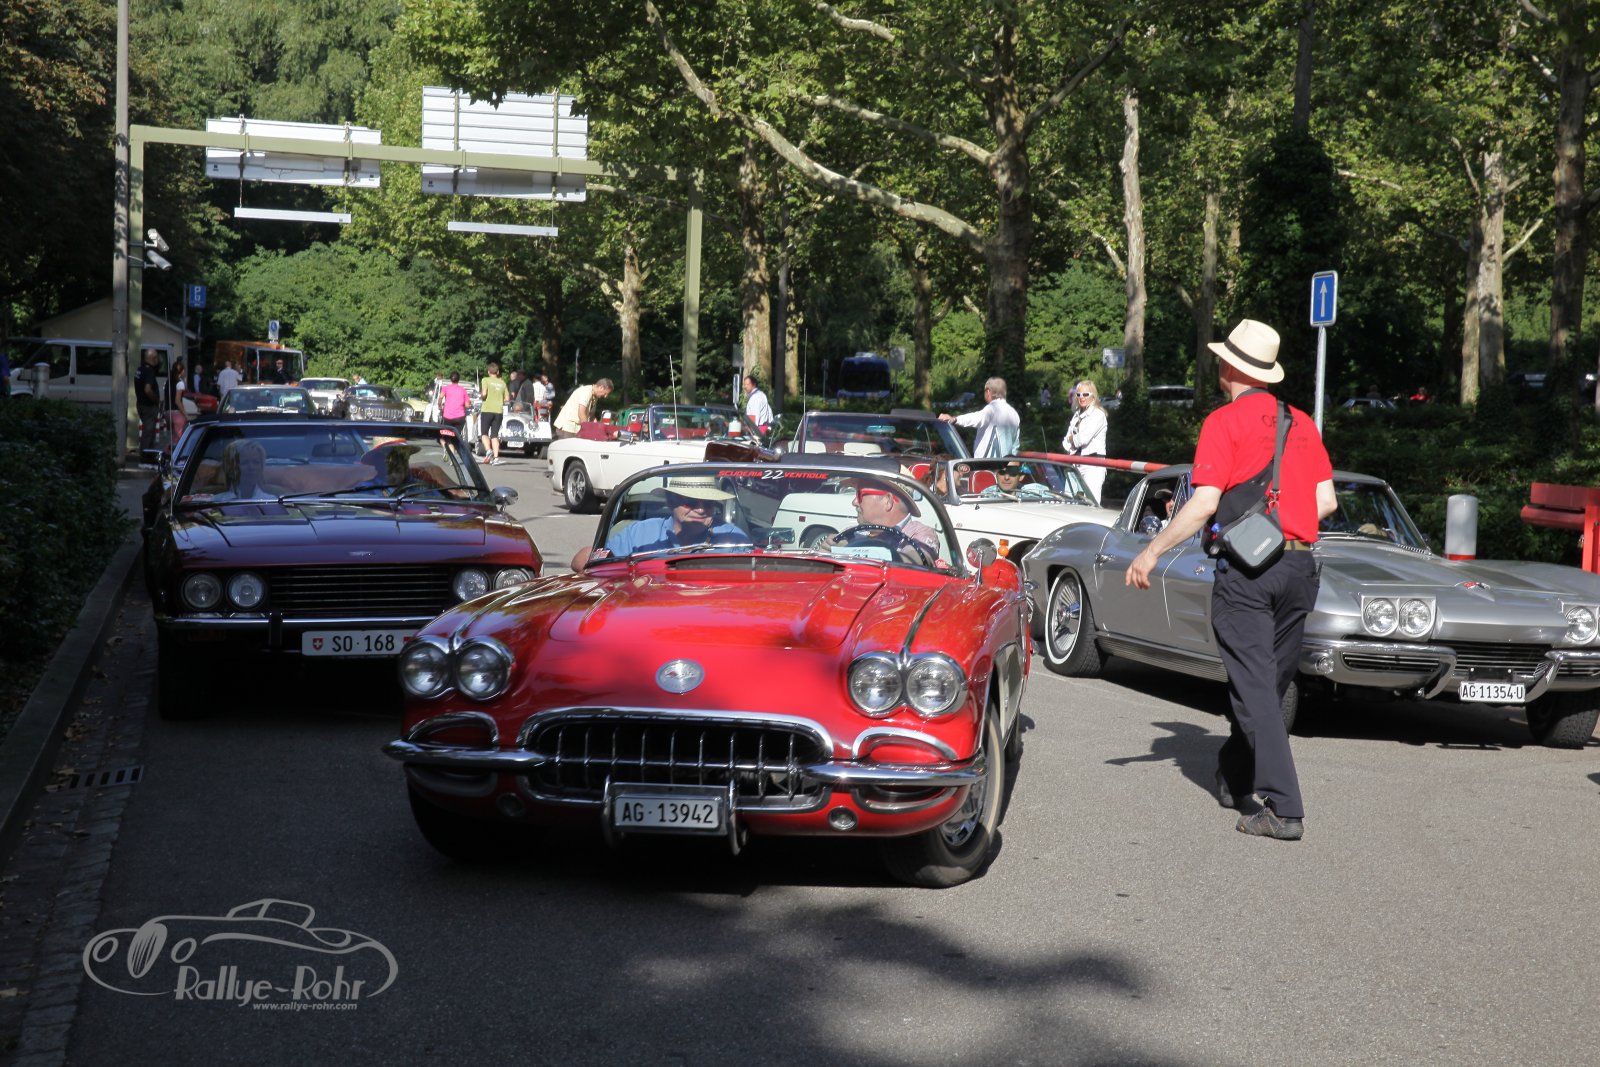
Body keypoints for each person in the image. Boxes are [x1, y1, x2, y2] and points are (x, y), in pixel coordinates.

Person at [1125, 319, 1336, 842]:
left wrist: (1151, 551)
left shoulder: (1223, 422)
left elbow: (1204, 504)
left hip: (1248, 573)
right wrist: (1283, 524)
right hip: (1300, 568)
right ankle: (1235, 774)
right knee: (1267, 686)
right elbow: (1327, 501)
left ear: (1230, 368)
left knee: (1257, 689)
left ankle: (1284, 808)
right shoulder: (1301, 422)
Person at [573, 477, 748, 568]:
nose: (701, 510)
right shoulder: (639, 533)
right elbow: (580, 562)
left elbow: (751, 581)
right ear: (671, 501)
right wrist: (592, 557)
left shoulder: (733, 538)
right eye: (691, 502)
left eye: (709, 503)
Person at [830, 479, 940, 559]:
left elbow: (915, 561)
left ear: (887, 501)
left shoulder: (919, 534)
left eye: (860, 495)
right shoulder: (851, 532)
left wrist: (849, 551)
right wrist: (829, 549)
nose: (854, 502)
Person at [938, 377, 1019, 458]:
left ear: (988, 391)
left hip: (986, 463)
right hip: (1006, 462)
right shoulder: (1014, 414)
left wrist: (955, 419)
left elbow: (976, 418)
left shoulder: (991, 409)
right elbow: (1015, 445)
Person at [1061, 380, 1109, 505]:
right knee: (1068, 501)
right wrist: (1072, 439)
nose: (1081, 397)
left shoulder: (1098, 415)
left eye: (1085, 394)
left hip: (1093, 464)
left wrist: (1071, 439)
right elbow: (1065, 443)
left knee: (1091, 502)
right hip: (1075, 462)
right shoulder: (1077, 414)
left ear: (1093, 395)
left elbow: (1082, 440)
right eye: (1078, 394)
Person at [212, 439, 284, 501]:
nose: (251, 467)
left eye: (256, 462)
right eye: (244, 462)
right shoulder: (217, 501)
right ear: (231, 467)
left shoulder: (270, 500)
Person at [478, 361, 509, 465]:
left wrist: (482, 397)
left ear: (488, 371)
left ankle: (488, 450)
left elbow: (484, 393)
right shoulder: (502, 383)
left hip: (487, 409)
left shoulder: (485, 380)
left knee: (484, 433)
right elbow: (507, 398)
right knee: (494, 435)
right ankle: (496, 458)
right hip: (498, 411)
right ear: (498, 372)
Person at [980, 460, 1055, 500]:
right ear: (996, 475)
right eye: (1002, 472)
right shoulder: (986, 495)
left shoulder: (1034, 492)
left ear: (1021, 476)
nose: (1006, 477)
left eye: (1012, 472)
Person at [135, 348, 162, 455]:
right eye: (157, 358)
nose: (158, 360)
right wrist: (156, 400)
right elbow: (147, 389)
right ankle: (146, 457)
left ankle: (146, 454)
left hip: (141, 404)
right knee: (148, 434)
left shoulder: (140, 369)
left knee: (147, 432)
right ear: (153, 358)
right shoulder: (149, 371)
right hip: (148, 406)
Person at [439, 371, 470, 440]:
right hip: (460, 417)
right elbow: (467, 405)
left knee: (446, 437)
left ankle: (448, 445)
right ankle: (454, 444)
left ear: (450, 379)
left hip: (448, 417)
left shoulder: (446, 388)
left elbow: (440, 397)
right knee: (456, 436)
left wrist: (440, 407)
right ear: (459, 379)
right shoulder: (463, 390)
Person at [166, 358, 189, 444]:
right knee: (178, 439)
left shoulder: (168, 381)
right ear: (182, 371)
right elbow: (177, 401)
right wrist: (185, 414)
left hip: (167, 412)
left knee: (171, 438)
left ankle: (169, 450)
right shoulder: (180, 383)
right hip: (176, 413)